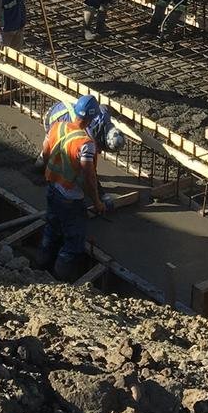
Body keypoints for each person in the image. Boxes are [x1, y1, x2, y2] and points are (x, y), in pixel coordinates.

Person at [36, 94, 124, 280]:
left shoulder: (57, 126)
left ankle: (39, 266)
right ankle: (58, 280)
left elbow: (44, 153)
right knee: (73, 242)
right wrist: (97, 202)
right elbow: (89, 178)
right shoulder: (86, 144)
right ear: (92, 119)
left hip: (52, 189)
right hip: (70, 199)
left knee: (51, 229)